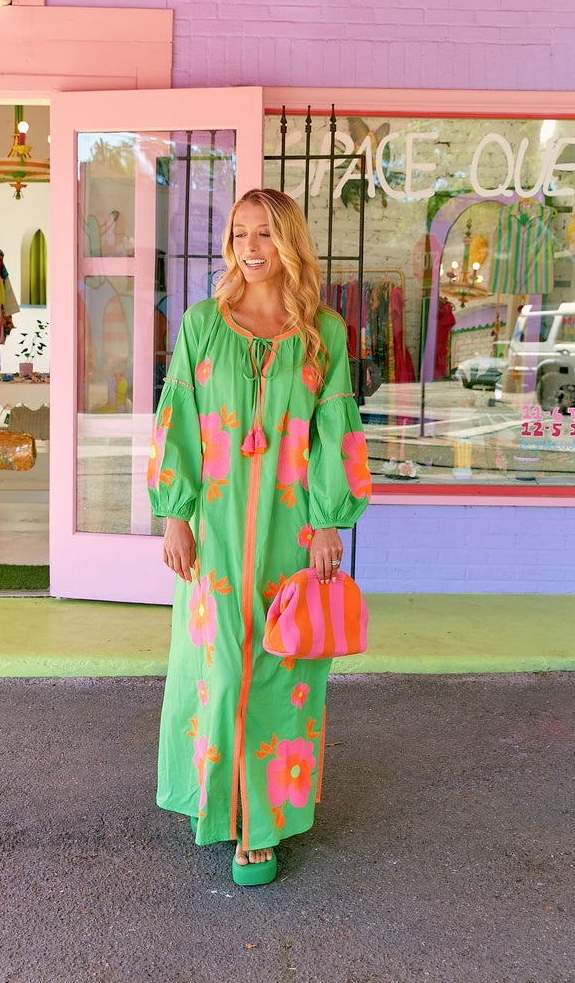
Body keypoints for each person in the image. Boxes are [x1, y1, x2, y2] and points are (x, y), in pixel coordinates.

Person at [147, 188, 371, 886]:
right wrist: (175, 511)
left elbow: (337, 429)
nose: (250, 246)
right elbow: (176, 414)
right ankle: (218, 802)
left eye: (266, 234)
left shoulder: (322, 333)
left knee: (280, 667)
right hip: (214, 530)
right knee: (216, 669)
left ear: (290, 242)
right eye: (240, 233)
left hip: (289, 529)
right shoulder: (201, 327)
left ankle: (258, 826)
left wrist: (330, 518)